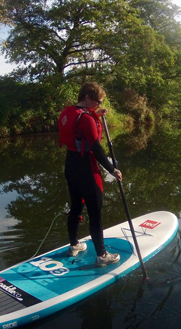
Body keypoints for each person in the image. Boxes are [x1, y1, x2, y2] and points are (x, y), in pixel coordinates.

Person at [58, 82, 122, 265]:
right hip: (86, 168)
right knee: (95, 212)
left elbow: (78, 127)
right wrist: (113, 169)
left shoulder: (67, 112)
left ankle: (74, 245)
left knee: (76, 207)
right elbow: (96, 148)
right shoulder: (86, 119)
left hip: (70, 165)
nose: (100, 105)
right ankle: (102, 256)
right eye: (98, 102)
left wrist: (94, 115)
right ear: (87, 97)